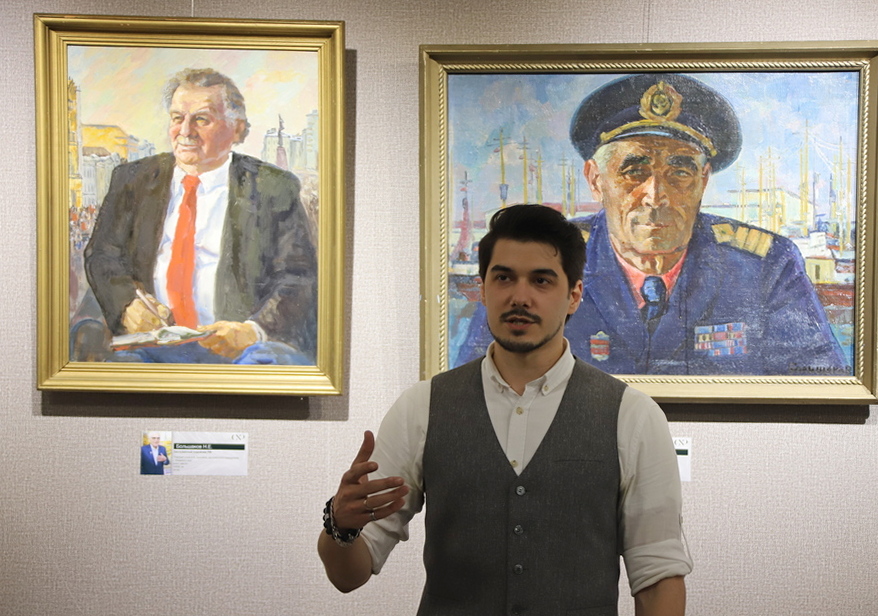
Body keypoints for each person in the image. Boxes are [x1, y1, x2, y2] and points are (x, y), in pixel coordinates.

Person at [319, 205, 691, 615]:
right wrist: (340, 524)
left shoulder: (632, 416)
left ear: (574, 296)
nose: (519, 297)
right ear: (483, 289)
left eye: (541, 281)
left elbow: (658, 577)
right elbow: (348, 576)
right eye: (504, 278)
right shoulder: (421, 407)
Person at [464, 73, 848, 376]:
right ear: (596, 180)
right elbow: (476, 381)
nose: (655, 195)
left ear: (703, 180)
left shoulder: (764, 266)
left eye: (680, 171)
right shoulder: (545, 257)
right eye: (634, 170)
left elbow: (818, 382)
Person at [84, 68, 316, 364]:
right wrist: (127, 304)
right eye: (177, 118)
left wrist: (252, 330)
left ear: (237, 129)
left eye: (201, 119)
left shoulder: (272, 187)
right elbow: (101, 255)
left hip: (236, 350)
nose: (185, 131)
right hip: (148, 345)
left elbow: (298, 277)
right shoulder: (132, 180)